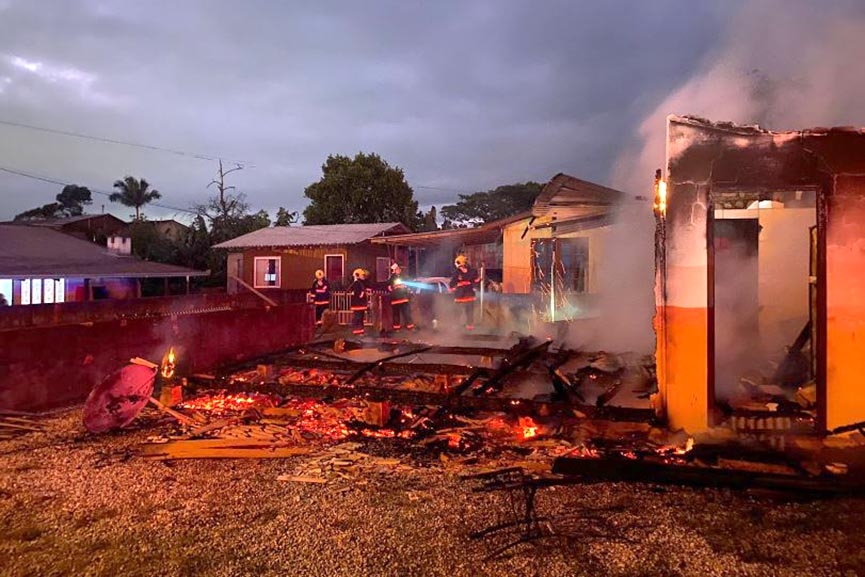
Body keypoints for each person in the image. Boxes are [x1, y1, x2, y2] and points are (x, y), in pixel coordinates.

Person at [449, 255, 480, 330]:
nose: (460, 267)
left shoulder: (473, 271)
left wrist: (475, 285)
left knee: (469, 310)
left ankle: (470, 325)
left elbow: (476, 280)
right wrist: (454, 286)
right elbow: (452, 282)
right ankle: (455, 324)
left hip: (469, 293)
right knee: (457, 310)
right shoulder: (456, 273)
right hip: (459, 294)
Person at [387, 262, 415, 332]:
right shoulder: (392, 278)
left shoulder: (403, 277)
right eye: (397, 269)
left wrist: (409, 294)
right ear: (394, 270)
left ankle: (410, 327)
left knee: (407, 313)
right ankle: (397, 328)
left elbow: (408, 286)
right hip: (396, 299)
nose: (398, 270)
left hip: (403, 298)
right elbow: (389, 287)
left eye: (398, 269)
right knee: (396, 315)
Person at [348, 268, 369, 336]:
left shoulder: (360, 283)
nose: (363, 276)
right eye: (362, 275)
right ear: (358, 275)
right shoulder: (356, 283)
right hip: (358, 305)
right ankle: (357, 331)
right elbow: (357, 294)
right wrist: (362, 294)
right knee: (358, 317)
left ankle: (360, 331)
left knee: (360, 318)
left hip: (360, 305)